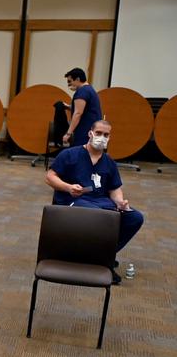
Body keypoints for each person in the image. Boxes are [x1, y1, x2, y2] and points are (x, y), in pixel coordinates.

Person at [45, 119, 144, 283]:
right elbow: (50, 177)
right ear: (90, 133)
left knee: (134, 218)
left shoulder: (109, 162)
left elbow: (114, 188)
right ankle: (102, 259)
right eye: (98, 133)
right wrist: (68, 187)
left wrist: (120, 203)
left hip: (102, 203)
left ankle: (102, 255)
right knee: (101, 216)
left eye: (106, 135)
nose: (102, 137)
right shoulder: (70, 155)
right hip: (74, 201)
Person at [60, 67, 102, 148]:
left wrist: (68, 133)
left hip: (84, 132)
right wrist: (68, 107)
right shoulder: (89, 90)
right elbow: (85, 109)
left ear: (78, 79)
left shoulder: (82, 91)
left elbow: (78, 113)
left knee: (81, 156)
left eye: (70, 81)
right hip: (92, 131)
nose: (68, 84)